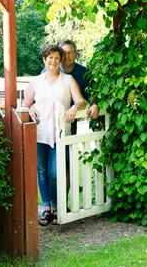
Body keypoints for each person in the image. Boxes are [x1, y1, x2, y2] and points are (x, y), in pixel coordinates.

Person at [22, 44, 86, 226]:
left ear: (60, 61)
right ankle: (47, 209)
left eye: (57, 58)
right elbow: (26, 103)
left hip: (60, 134)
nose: (54, 61)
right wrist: (32, 106)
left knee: (55, 173)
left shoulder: (68, 80)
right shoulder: (35, 82)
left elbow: (80, 100)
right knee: (42, 173)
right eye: (50, 57)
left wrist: (74, 107)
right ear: (44, 59)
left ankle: (58, 207)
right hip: (40, 134)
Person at [30, 40, 99, 199]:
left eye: (70, 52)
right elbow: (36, 96)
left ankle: (63, 203)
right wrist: (32, 106)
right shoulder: (46, 71)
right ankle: (52, 205)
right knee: (47, 169)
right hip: (46, 127)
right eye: (63, 53)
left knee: (65, 165)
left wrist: (94, 104)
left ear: (76, 54)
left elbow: (89, 96)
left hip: (69, 124)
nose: (66, 56)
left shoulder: (82, 72)